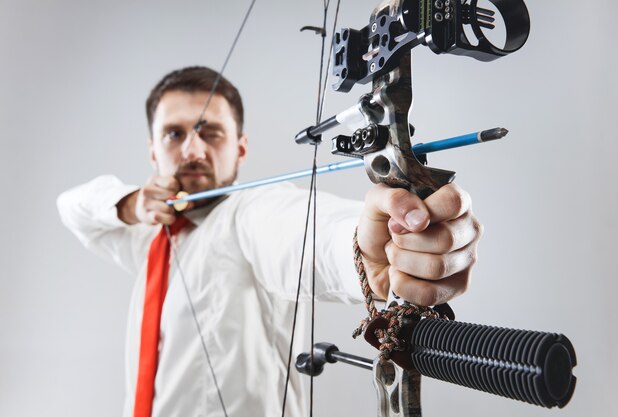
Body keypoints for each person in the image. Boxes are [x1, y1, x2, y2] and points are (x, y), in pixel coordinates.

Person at [57, 66, 482, 417]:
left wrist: (368, 248)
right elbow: (72, 206)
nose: (193, 150)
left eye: (210, 133)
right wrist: (130, 203)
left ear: (240, 149)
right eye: (174, 134)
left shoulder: (249, 215)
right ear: (153, 151)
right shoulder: (147, 237)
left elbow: (304, 233)